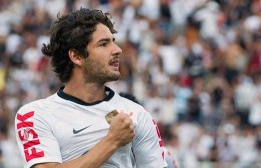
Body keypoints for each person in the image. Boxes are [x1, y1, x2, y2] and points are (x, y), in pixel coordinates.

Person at [15, 8, 167, 168]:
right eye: (103, 44)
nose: (117, 50)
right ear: (77, 56)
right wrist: (112, 141)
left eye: (113, 41)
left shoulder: (137, 114)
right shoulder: (35, 115)